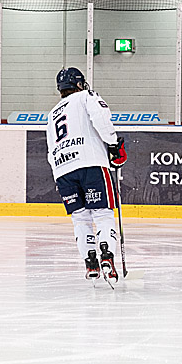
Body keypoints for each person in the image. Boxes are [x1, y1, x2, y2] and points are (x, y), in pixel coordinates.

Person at [46, 67, 127, 285]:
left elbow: (50, 149)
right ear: (79, 84)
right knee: (102, 213)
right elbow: (101, 118)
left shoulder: (51, 114)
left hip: (63, 170)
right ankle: (107, 256)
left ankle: (90, 262)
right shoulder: (86, 96)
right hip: (90, 164)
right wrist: (113, 144)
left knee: (80, 218)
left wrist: (58, 175)